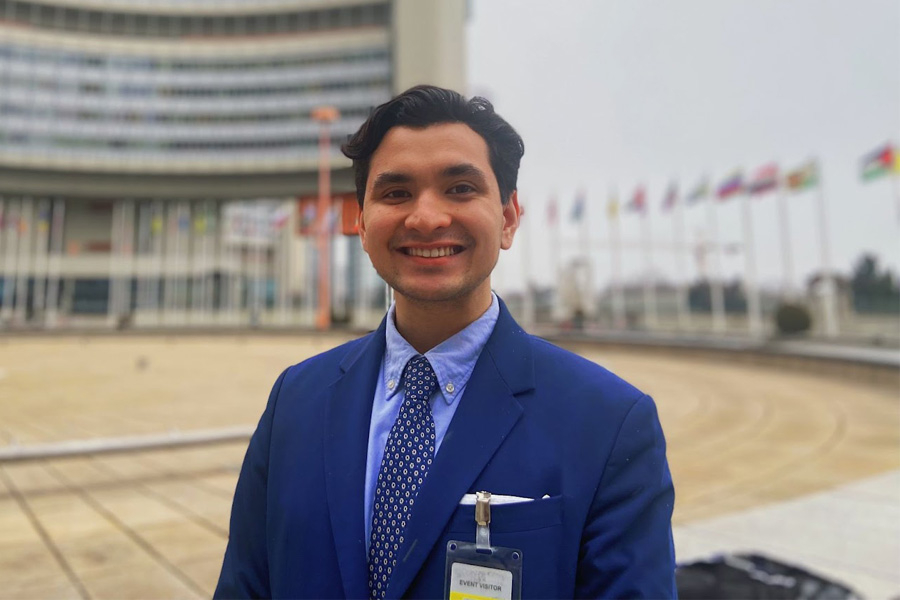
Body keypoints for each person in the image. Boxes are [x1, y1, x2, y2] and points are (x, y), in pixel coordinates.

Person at [215, 85, 675, 599]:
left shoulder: (609, 422)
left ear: (507, 217)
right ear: (362, 223)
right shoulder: (296, 401)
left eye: (459, 188)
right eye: (396, 193)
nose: (426, 217)